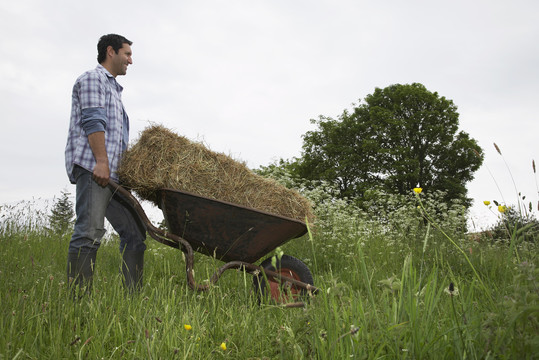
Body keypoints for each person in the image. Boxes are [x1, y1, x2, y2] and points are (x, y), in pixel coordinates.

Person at [64, 34, 146, 295]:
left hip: (112, 176)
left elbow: (116, 139)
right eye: (127, 54)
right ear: (111, 52)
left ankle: (133, 297)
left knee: (135, 233)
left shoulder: (114, 90)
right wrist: (101, 162)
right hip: (94, 169)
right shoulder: (92, 79)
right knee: (89, 232)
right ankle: (78, 301)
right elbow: (92, 121)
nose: (130, 61)